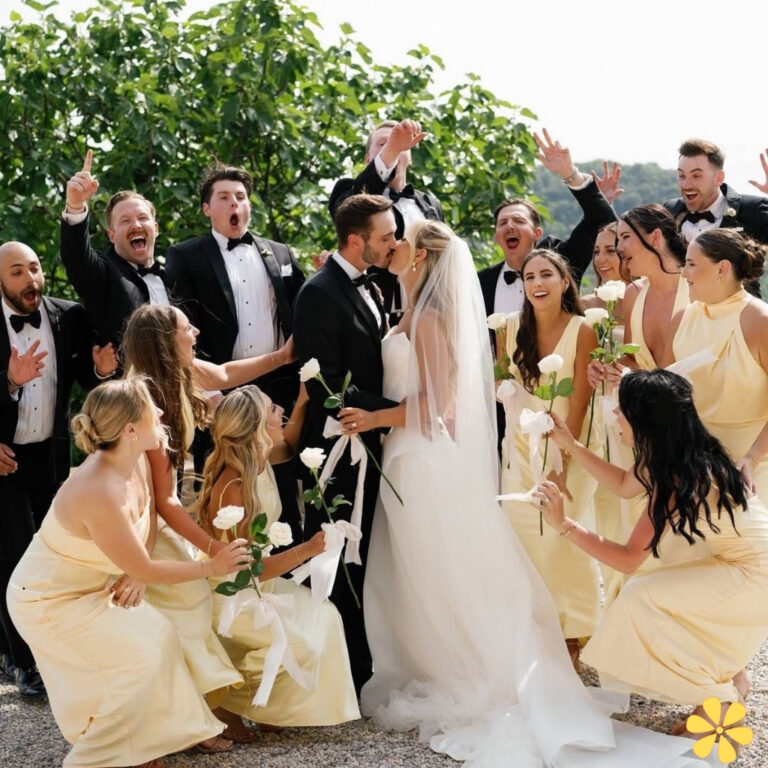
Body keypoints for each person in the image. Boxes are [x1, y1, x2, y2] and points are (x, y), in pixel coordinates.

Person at [337, 220, 701, 767]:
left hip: (422, 454)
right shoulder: (411, 309)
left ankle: (472, 664)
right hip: (408, 454)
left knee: (436, 565)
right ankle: (429, 658)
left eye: (401, 240)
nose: (392, 246)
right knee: (420, 568)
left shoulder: (431, 318)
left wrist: (374, 418)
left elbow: (439, 406)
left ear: (422, 256)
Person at [7, 378, 252, 767]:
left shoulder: (135, 458)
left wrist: (142, 571)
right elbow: (143, 567)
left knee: (158, 636)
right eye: (151, 410)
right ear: (130, 429)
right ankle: (100, 757)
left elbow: (150, 516)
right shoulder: (98, 489)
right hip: (47, 600)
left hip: (89, 589)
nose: (160, 413)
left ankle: (143, 743)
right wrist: (212, 565)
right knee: (135, 658)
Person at [539, 369, 768, 721]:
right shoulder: (670, 454)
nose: (614, 415)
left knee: (641, 597)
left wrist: (564, 525)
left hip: (756, 574)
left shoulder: (672, 476)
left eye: (621, 409)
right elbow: (622, 483)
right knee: (654, 592)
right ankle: (732, 676)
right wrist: (570, 444)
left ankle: (720, 700)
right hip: (742, 562)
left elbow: (629, 559)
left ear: (643, 420)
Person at [120, 303, 295, 707]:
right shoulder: (145, 401)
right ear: (167, 341)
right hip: (138, 513)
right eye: (186, 328)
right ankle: (191, 709)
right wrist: (212, 550)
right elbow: (161, 500)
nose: (195, 331)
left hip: (161, 506)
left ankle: (198, 707)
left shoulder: (185, 372)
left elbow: (229, 374)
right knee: (185, 601)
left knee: (187, 603)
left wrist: (284, 357)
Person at [196, 385, 359, 734]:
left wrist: (300, 401)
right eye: (273, 409)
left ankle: (272, 709)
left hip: (261, 584)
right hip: (233, 594)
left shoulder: (260, 458)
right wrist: (308, 549)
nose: (279, 410)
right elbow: (249, 569)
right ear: (257, 427)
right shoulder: (235, 485)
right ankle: (222, 700)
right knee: (305, 642)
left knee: (325, 616)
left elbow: (291, 445)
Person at [0, 241, 117, 698]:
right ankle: (25, 665)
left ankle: (51, 652)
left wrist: (103, 373)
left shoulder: (68, 316)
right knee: (12, 556)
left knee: (54, 554)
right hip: (3, 457)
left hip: (49, 455)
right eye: (16, 272)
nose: (30, 280)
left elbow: (90, 383)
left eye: (34, 268)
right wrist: (11, 381)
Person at [293, 193, 399, 694]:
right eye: (386, 236)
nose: (393, 243)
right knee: (335, 556)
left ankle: (360, 667)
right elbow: (325, 386)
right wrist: (399, 408)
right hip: (338, 453)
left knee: (365, 554)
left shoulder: (373, 286)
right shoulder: (319, 292)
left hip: (371, 442)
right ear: (357, 241)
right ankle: (336, 676)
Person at [165, 162, 306, 538]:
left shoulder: (280, 252)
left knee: (282, 483)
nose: (234, 205)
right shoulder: (185, 256)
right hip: (222, 395)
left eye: (241, 197)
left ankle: (286, 562)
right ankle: (232, 568)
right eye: (224, 197)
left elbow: (302, 307)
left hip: (278, 389)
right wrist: (209, 394)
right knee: (228, 491)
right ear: (207, 208)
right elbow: (182, 331)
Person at [498, 249, 600, 664]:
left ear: (564, 282)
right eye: (529, 276)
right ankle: (533, 628)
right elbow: (503, 385)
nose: (537, 283)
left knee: (562, 540)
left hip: (571, 447)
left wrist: (562, 466)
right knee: (523, 537)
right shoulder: (507, 329)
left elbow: (577, 403)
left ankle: (573, 633)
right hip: (519, 449)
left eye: (546, 275)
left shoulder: (583, 329)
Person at [669, 229, 768, 505]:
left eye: (691, 264)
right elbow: (665, 393)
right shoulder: (680, 320)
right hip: (694, 467)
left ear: (722, 268)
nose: (683, 273)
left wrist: (752, 457)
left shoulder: (760, 321)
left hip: (753, 469)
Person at [478, 128, 617, 319]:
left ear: (537, 233)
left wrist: (569, 173)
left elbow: (602, 221)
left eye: (519, 220)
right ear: (496, 237)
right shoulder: (481, 281)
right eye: (502, 222)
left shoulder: (562, 262)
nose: (510, 226)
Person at [329, 119, 445, 323]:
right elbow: (347, 213)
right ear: (368, 159)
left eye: (401, 142)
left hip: (431, 317)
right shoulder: (348, 191)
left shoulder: (430, 204)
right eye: (383, 144)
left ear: (410, 157)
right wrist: (391, 150)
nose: (395, 145)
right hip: (373, 318)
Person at [60, 150, 171, 347]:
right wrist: (75, 205)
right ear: (112, 235)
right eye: (125, 220)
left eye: (143, 218)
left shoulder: (175, 274)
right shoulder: (103, 273)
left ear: (155, 229)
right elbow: (76, 257)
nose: (136, 225)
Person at [663, 138, 768, 246]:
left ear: (719, 178)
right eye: (681, 176)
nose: (686, 185)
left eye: (696, 176)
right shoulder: (670, 210)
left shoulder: (754, 210)